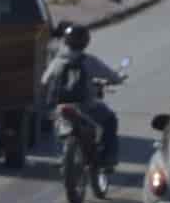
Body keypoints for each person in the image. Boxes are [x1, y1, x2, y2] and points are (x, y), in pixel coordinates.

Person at [41, 22, 123, 163]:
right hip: (85, 106)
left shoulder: (58, 61)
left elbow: (44, 80)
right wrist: (117, 79)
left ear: (66, 41)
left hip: (60, 105)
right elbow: (111, 76)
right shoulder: (88, 61)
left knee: (57, 126)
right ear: (86, 41)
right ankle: (109, 157)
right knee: (110, 120)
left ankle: (61, 155)